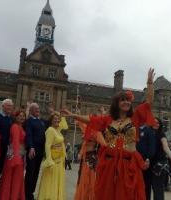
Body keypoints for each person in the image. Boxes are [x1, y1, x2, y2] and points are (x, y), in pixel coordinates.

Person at [62, 68, 156, 200]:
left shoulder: (135, 118)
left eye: (128, 101)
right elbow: (91, 119)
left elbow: (149, 103)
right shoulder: (108, 120)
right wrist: (73, 115)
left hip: (128, 165)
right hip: (109, 165)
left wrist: (150, 83)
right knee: (107, 194)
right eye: (123, 100)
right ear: (117, 103)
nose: (126, 102)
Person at [37, 112, 68, 200]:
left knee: (57, 181)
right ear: (51, 121)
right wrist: (49, 160)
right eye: (55, 119)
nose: (57, 120)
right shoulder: (50, 130)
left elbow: (65, 126)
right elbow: (47, 145)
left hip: (59, 160)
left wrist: (62, 116)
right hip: (53, 160)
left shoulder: (57, 130)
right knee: (51, 181)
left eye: (58, 119)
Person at [74, 120, 106, 200]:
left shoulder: (97, 132)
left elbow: (104, 145)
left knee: (90, 178)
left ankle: (90, 197)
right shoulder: (86, 129)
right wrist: (77, 119)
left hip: (91, 157)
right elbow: (82, 124)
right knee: (83, 177)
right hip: (85, 157)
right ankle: (84, 197)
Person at [0, 111, 26, 200]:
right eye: (20, 116)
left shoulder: (21, 127)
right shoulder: (15, 126)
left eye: (23, 116)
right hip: (14, 155)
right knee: (11, 178)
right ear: (15, 117)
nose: (22, 117)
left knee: (16, 178)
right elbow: (15, 141)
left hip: (19, 155)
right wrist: (16, 157)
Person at [148, 118, 171, 200]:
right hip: (149, 163)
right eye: (154, 122)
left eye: (158, 123)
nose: (156, 124)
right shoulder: (148, 133)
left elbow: (166, 147)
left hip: (159, 164)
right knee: (150, 187)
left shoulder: (161, 134)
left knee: (157, 188)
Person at [24, 103, 46, 200]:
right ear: (31, 110)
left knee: (36, 172)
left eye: (38, 108)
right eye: (35, 109)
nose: (38, 110)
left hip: (40, 151)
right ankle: (27, 194)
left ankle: (31, 192)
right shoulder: (29, 121)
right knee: (30, 172)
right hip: (33, 150)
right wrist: (31, 147)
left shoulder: (41, 121)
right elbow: (28, 134)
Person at [0, 98, 13, 183]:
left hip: (4, 148)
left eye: (11, 106)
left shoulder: (10, 119)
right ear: (3, 106)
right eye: (8, 105)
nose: (10, 108)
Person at [136, 125, 156, 200]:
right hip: (135, 160)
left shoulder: (149, 131)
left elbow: (152, 146)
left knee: (146, 183)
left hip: (145, 160)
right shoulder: (134, 129)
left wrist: (148, 158)